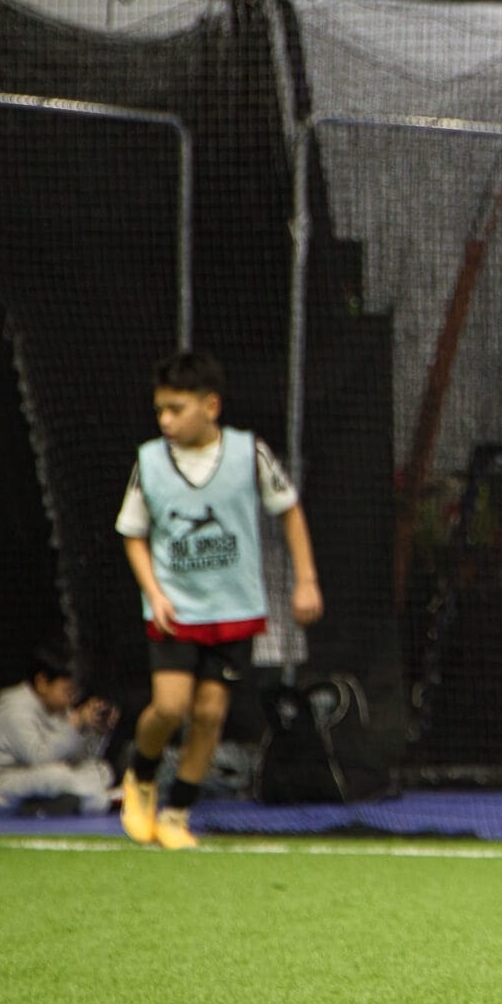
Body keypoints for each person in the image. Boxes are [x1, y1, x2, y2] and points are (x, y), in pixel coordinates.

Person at [116, 349, 321, 851]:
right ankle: (140, 777)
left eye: (176, 408)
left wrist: (306, 581)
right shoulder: (149, 462)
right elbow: (133, 533)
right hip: (174, 610)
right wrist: (154, 593)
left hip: (232, 610)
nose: (165, 420)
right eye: (160, 409)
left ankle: (178, 812)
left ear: (211, 406)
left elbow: (289, 511)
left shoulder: (249, 453)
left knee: (209, 714)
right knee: (170, 707)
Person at [0, 643, 118, 814]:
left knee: (100, 770)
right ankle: (89, 800)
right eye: (68, 690)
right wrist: (76, 722)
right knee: (55, 775)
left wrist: (97, 731)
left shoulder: (59, 708)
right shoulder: (15, 709)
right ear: (42, 682)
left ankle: (74, 801)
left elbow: (78, 757)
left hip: (37, 778)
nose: (73, 697)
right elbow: (40, 757)